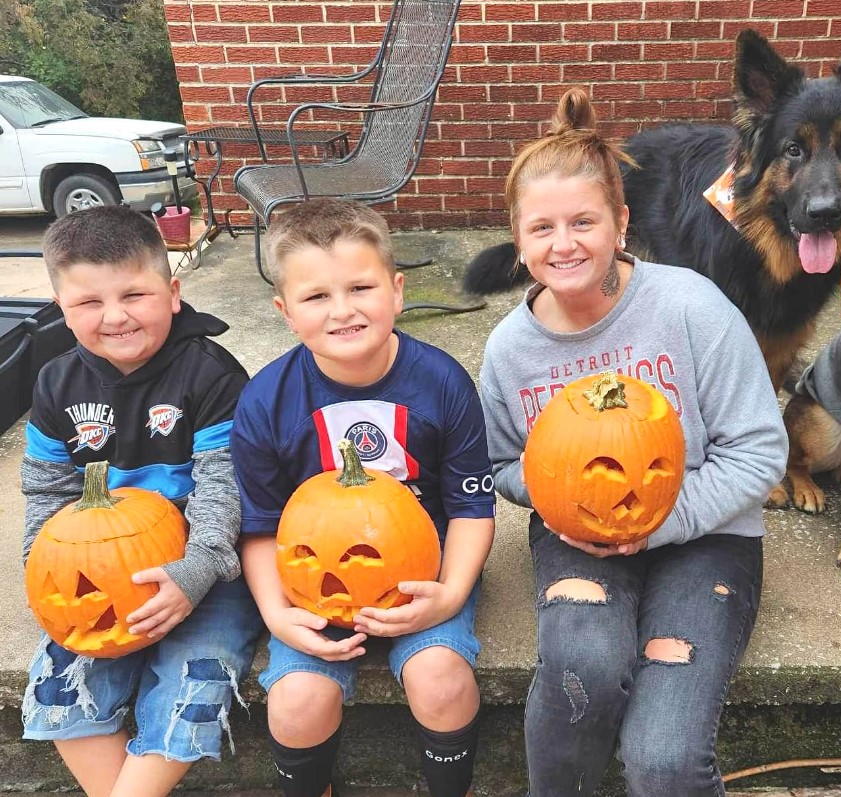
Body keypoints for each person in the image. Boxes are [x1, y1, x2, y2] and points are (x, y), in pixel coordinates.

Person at [478, 88, 788, 796]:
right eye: (542, 227)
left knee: (664, 757)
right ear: (518, 240)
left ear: (620, 222)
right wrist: (563, 496)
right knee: (580, 670)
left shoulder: (689, 307)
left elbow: (757, 449)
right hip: (577, 531)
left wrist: (659, 522)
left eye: (584, 220)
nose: (564, 243)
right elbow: (500, 460)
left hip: (705, 528)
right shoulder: (509, 350)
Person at [231, 198, 496, 797]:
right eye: (317, 296)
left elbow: (473, 507)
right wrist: (278, 615)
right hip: (314, 585)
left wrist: (449, 593)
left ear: (397, 292)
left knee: (441, 680)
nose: (343, 310)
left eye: (360, 287)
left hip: (423, 575)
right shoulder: (266, 401)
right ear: (285, 312)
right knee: (296, 701)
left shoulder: (443, 382)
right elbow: (259, 527)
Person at [20, 204, 262, 797]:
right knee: (59, 694)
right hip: (97, 577)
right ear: (61, 311)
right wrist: (42, 567)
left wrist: (195, 571)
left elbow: (222, 489)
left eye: (135, 294)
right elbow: (45, 493)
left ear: (173, 292)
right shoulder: (55, 385)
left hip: (208, 573)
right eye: (89, 304)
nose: (116, 317)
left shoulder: (212, 375)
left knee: (193, 689)